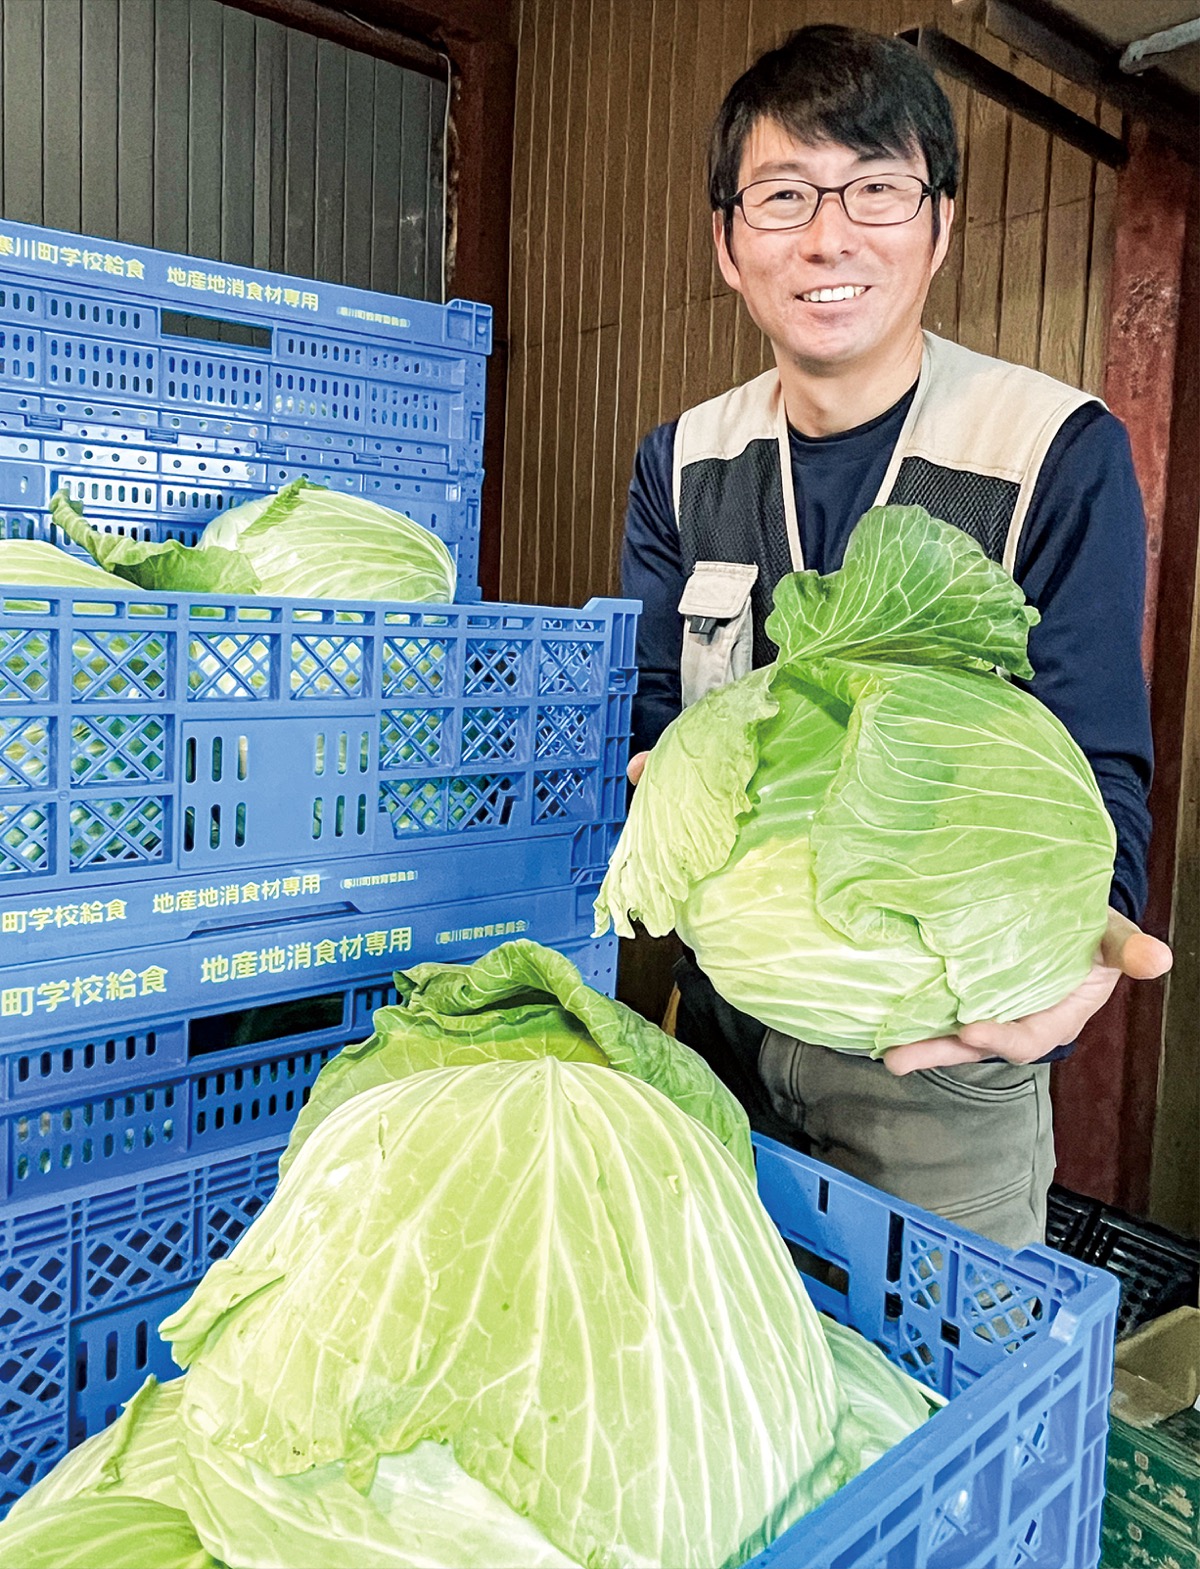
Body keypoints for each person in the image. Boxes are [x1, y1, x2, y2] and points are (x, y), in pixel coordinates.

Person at [620, 23, 1172, 1247]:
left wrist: (1072, 959)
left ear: (940, 223)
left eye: (877, 188)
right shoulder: (683, 459)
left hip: (941, 1054)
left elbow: (1095, 758)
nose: (830, 235)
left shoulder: (1049, 447)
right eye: (783, 195)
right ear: (727, 242)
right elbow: (655, 711)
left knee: (937, 1394)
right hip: (724, 1012)